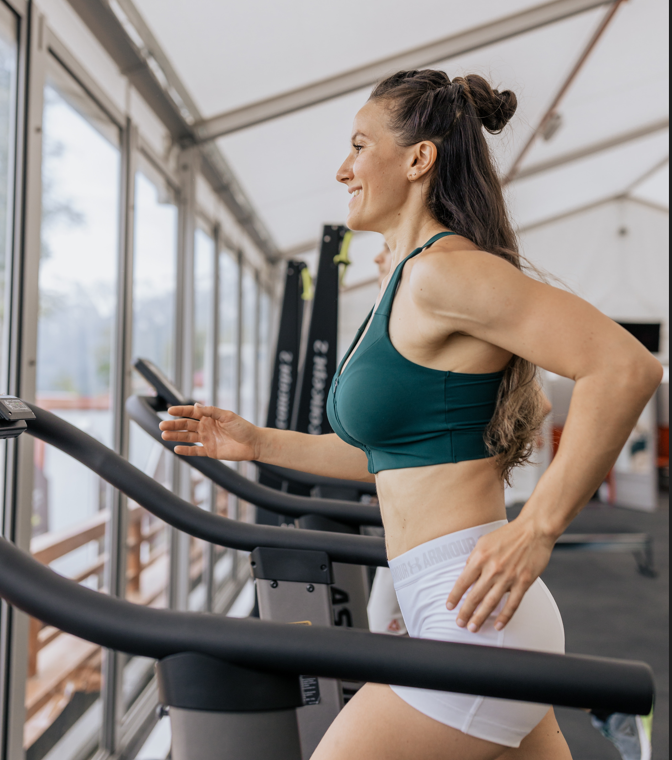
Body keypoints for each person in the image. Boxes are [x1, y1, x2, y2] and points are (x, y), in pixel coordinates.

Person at [160, 70, 662, 759]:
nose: (343, 169)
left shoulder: (444, 273)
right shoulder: (410, 274)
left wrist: (538, 528)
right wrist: (254, 441)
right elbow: (386, 457)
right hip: (452, 603)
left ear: (419, 159)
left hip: (475, 616)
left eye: (359, 145)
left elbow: (627, 366)